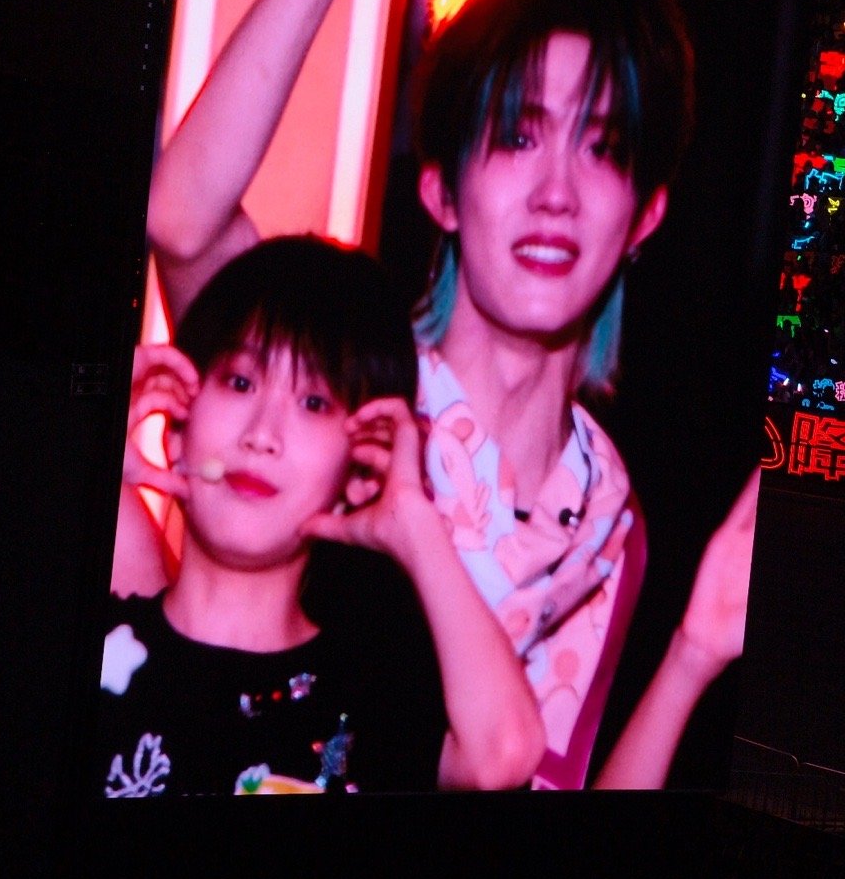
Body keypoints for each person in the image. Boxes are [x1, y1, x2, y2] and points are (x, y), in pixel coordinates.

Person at [141, 0, 757, 789]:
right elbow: (183, 217)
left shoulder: (607, 514)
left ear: (645, 215)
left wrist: (697, 654)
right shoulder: (343, 387)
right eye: (517, 136)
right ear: (440, 189)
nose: (557, 190)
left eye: (602, 148)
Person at [100, 235, 544, 795]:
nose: (262, 435)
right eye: (240, 382)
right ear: (176, 425)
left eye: (313, 403)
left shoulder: (367, 701)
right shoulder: (103, 644)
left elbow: (503, 755)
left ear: (359, 469)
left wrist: (414, 522)